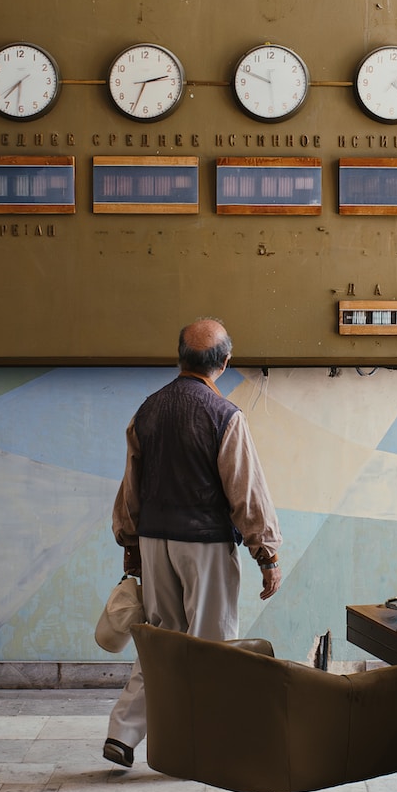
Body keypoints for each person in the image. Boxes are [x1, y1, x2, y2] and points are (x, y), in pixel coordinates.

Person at [103, 318, 282, 767]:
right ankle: (206, 746)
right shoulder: (225, 416)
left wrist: (131, 541)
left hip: (153, 542)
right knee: (213, 646)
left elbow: (131, 486)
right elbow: (247, 491)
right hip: (203, 546)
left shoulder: (146, 411)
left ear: (179, 357)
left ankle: (122, 735)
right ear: (225, 362)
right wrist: (267, 554)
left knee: (161, 642)